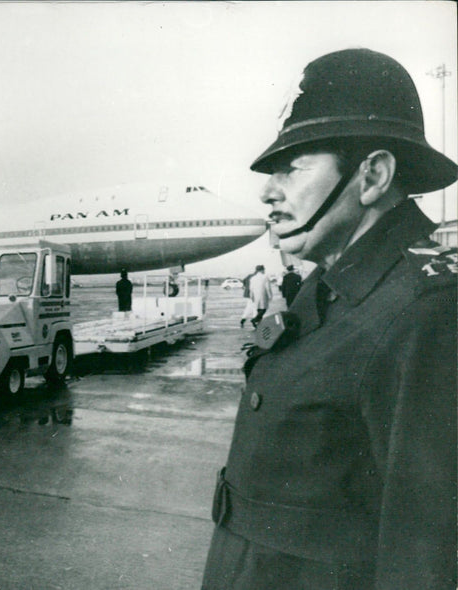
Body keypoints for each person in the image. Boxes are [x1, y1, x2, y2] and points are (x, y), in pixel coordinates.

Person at [202, 48, 457, 590]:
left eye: (292, 169)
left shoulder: (430, 313)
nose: (268, 192)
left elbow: (426, 555)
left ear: (373, 176)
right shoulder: (328, 283)